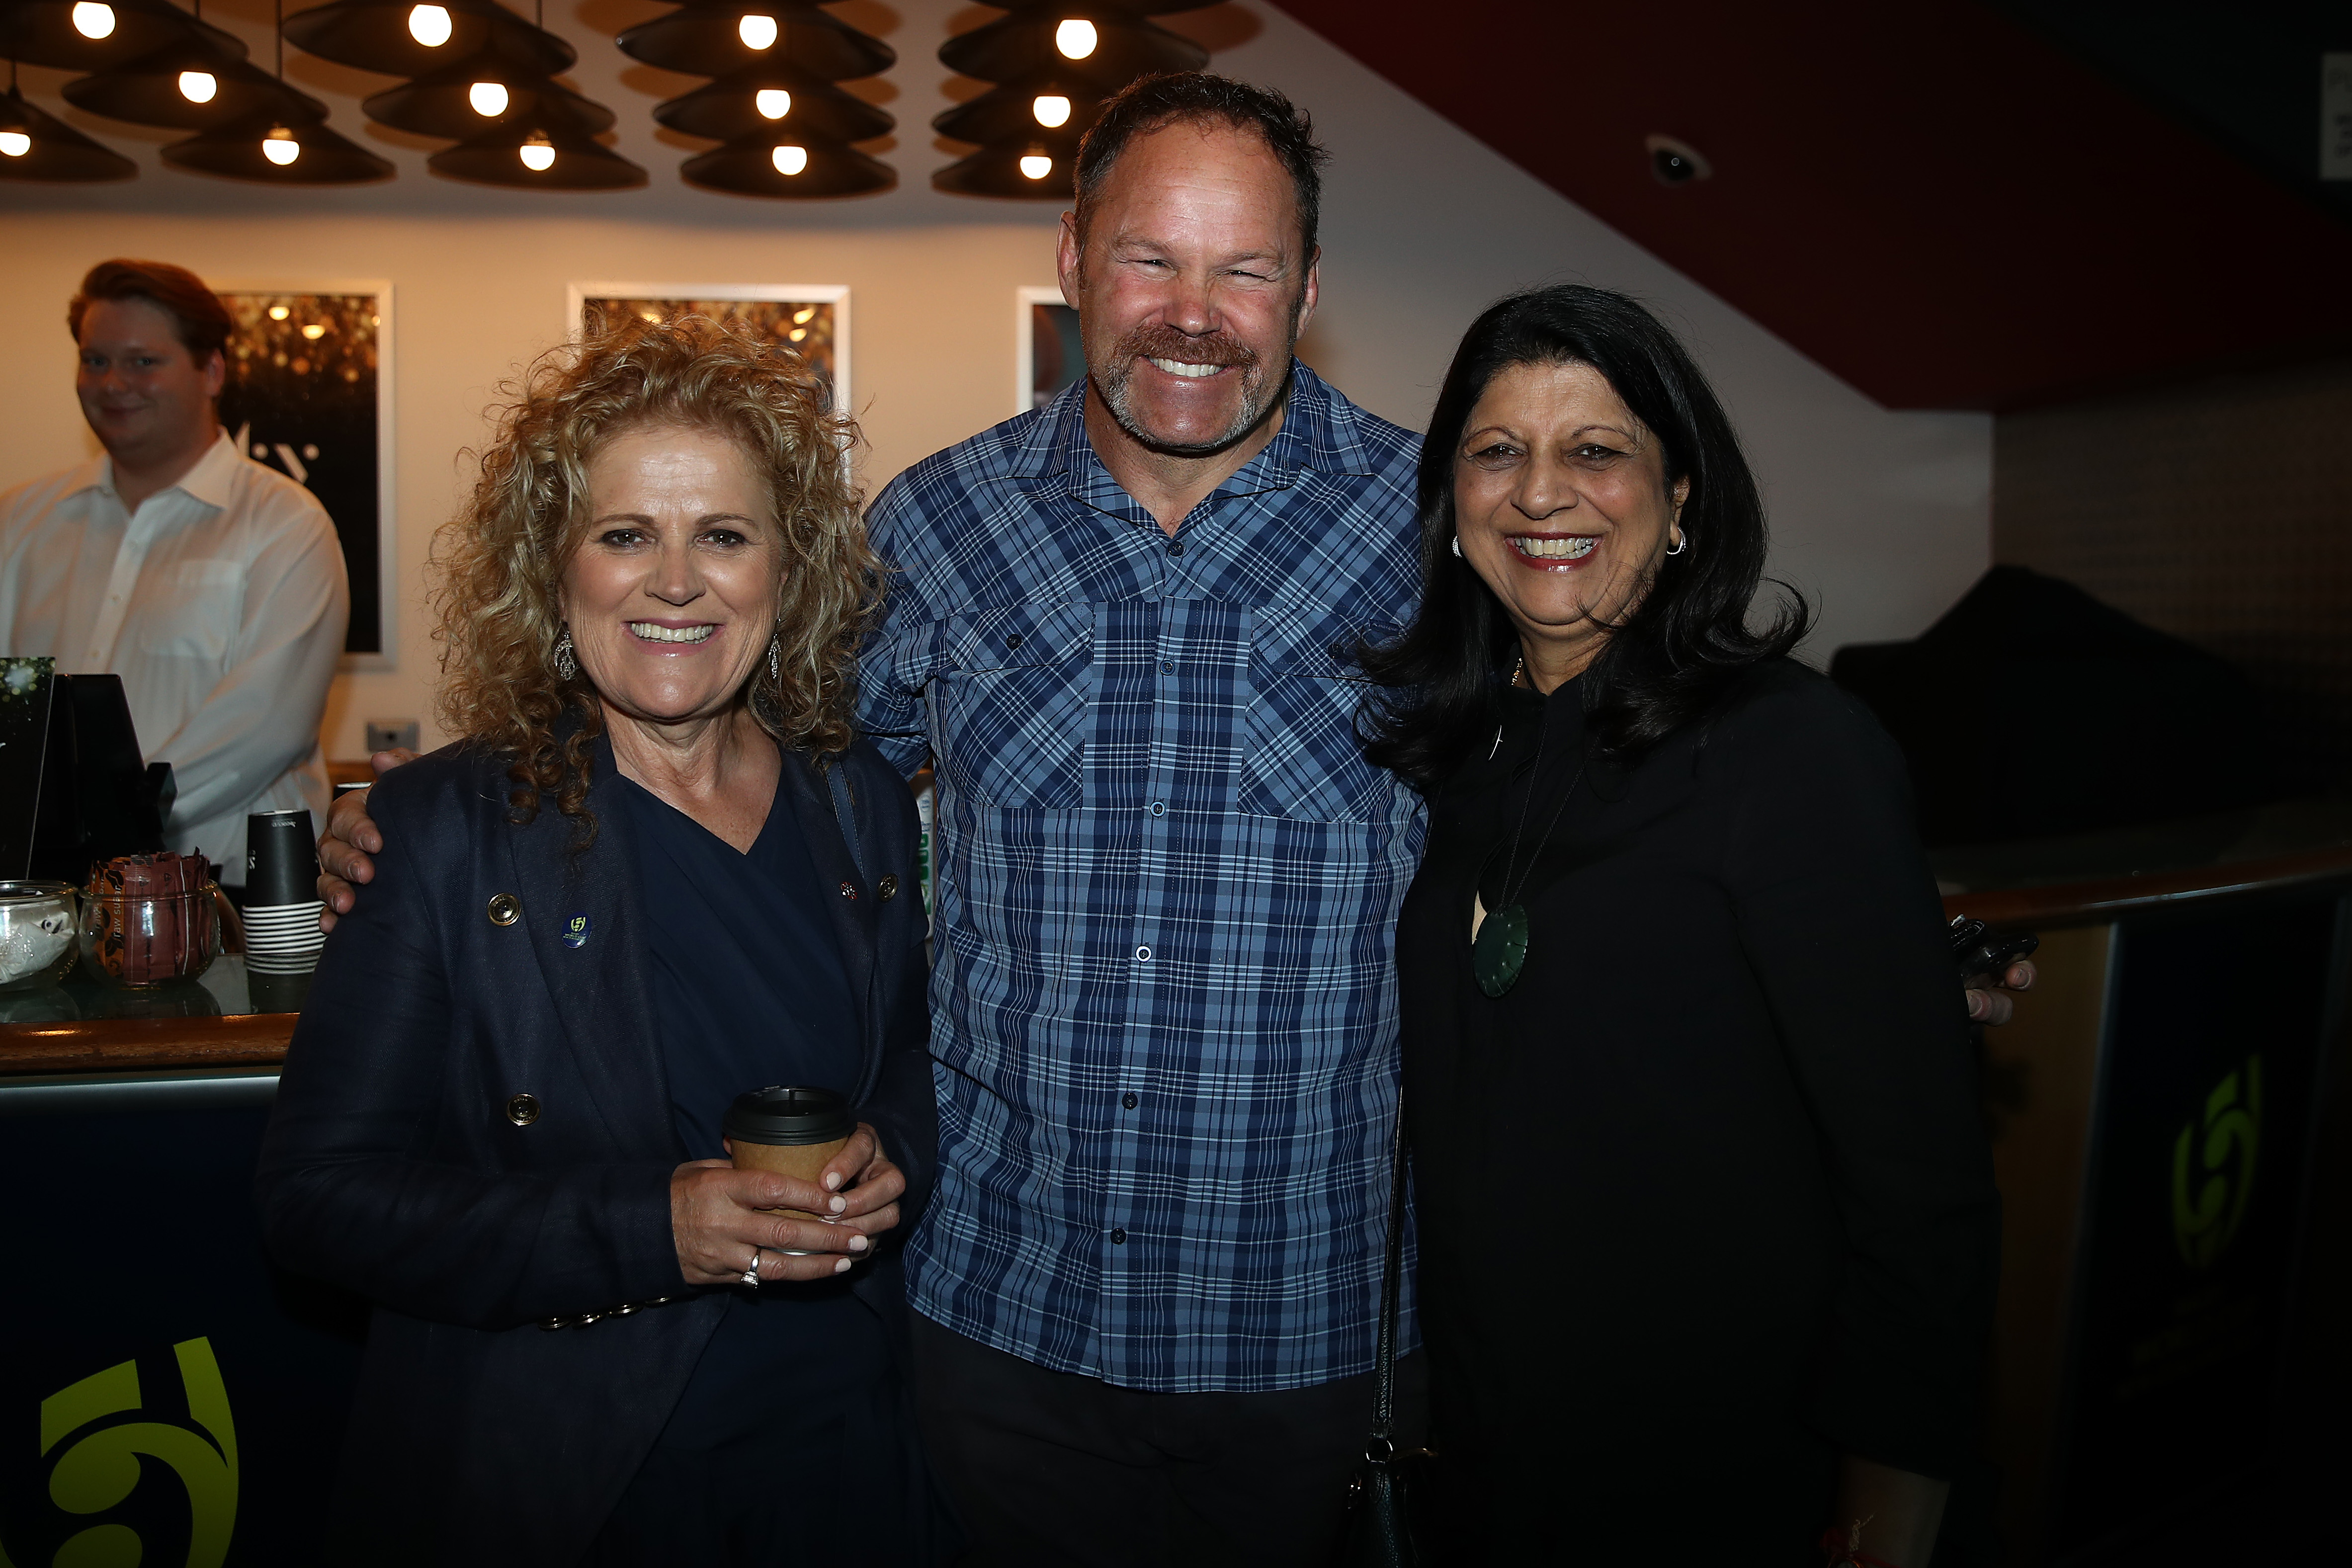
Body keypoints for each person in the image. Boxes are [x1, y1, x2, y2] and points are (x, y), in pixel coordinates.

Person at [316, 73, 2033, 1564]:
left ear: (1305, 289)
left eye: (1243, 268)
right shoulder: (938, 525)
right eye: (1148, 257)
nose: (1191, 311)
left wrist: (1866, 961)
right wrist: (460, 816)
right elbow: (714, 687)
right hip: (990, 1328)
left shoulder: (1436, 528)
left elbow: (1615, 786)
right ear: (1074, 262)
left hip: (1331, 1343)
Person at [255, 316, 945, 1567]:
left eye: (723, 535)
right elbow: (316, 1200)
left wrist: (890, 1149)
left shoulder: (861, 802)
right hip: (577, 1478)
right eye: (626, 533)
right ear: (552, 564)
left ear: (786, 571)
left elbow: (901, 1065)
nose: (675, 581)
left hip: (843, 1456)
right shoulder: (444, 830)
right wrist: (646, 1232)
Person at [1362, 284, 2001, 1566]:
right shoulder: (1461, 757)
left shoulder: (1790, 751)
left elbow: (1920, 1190)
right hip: (1490, 1461)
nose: (1543, 493)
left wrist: (1886, 1523)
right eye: (1499, 451)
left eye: (1597, 450)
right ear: (1452, 500)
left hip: (1726, 1474)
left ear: (1684, 494)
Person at [0, 258, 347, 884]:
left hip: (228, 890)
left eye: (142, 362)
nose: (112, 384)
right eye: (95, 359)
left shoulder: (285, 523)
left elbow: (267, 725)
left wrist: (103, 821)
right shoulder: (20, 520)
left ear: (211, 371)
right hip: (43, 885)